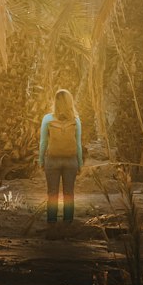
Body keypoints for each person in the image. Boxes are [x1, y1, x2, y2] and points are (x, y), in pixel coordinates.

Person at [38, 87, 83, 225]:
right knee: (69, 193)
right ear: (70, 102)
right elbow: (78, 144)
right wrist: (80, 163)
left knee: (52, 193)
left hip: (52, 160)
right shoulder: (76, 120)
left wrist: (41, 160)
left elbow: (43, 142)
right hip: (71, 161)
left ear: (55, 102)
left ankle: (51, 223)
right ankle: (67, 223)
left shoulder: (47, 119)